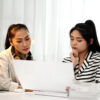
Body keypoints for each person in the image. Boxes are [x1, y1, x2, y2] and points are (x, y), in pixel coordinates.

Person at [0, 24, 33, 92]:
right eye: (19, 41)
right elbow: (3, 83)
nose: (25, 44)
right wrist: (25, 88)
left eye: (27, 39)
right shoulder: (4, 56)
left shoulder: (30, 57)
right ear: (11, 42)